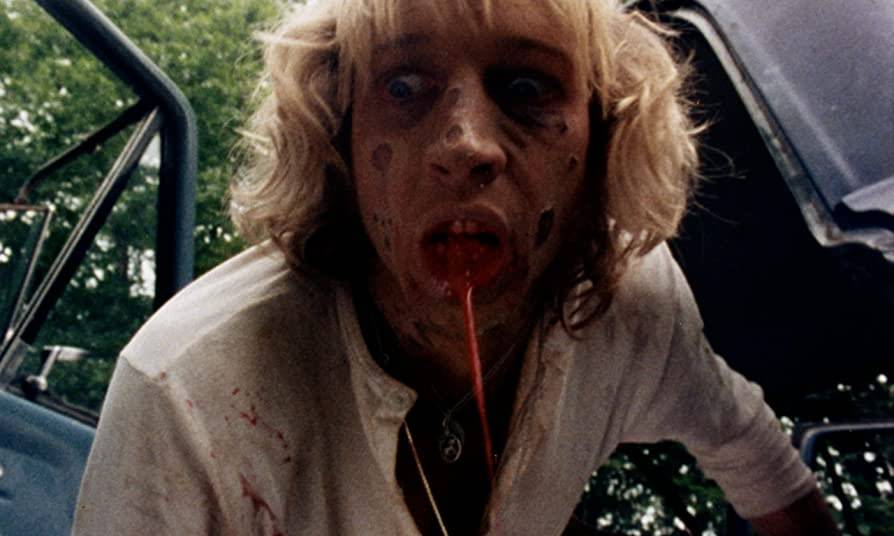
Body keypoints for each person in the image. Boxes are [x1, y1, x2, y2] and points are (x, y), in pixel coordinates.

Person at [73, 0, 839, 534]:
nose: (465, 146)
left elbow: (761, 462)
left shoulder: (631, 304)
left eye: (526, 86)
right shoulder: (187, 389)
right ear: (338, 137)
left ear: (606, 137)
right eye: (403, 86)